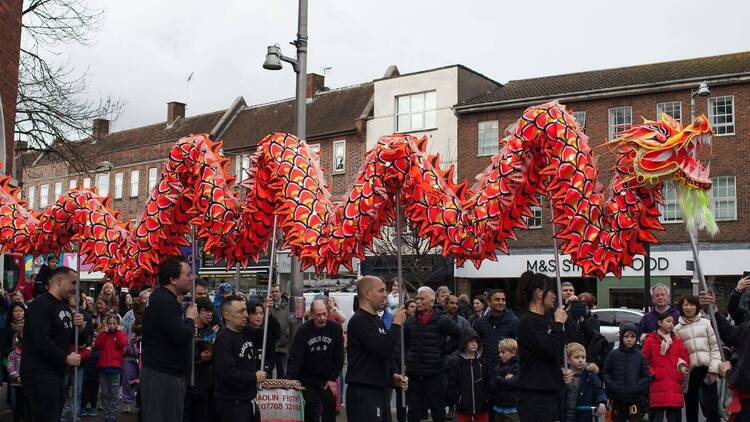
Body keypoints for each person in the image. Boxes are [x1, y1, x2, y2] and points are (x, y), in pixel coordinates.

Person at [20, 266, 87, 422]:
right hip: (39, 371)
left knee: (55, 416)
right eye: (72, 282)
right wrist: (66, 358)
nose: (75, 288)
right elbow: (40, 340)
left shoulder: (64, 307)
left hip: (57, 372)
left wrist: (80, 327)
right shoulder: (40, 305)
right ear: (59, 281)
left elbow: (74, 341)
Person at [141, 255, 198, 422]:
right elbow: (182, 336)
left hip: (166, 372)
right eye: (187, 274)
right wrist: (190, 319)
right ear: (173, 279)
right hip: (163, 375)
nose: (191, 278)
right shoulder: (164, 300)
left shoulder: (164, 298)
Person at [345, 275, 407, 422]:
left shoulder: (377, 320)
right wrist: (396, 324)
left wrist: (393, 375)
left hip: (380, 390)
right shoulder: (360, 321)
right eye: (381, 290)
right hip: (364, 393)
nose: (385, 295)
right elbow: (383, 349)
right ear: (367, 294)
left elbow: (386, 354)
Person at [514, 271, 570, 422]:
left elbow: (547, 357)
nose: (555, 296)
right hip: (535, 399)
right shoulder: (529, 322)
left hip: (548, 395)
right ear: (539, 293)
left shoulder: (545, 321)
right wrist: (559, 324)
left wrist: (560, 372)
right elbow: (549, 348)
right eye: (551, 291)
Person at [404, 286, 462, 422]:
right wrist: (408, 357)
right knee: (413, 412)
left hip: (434, 374)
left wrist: (443, 351)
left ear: (431, 301)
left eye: (421, 298)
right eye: (417, 298)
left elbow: (459, 335)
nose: (418, 301)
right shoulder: (410, 322)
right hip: (414, 374)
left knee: (438, 411)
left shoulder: (441, 320)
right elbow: (405, 343)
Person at [287, 298, 345, 422]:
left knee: (329, 402)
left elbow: (339, 357)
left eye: (324, 314)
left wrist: (332, 378)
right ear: (312, 314)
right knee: (311, 406)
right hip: (307, 377)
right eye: (318, 315)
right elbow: (296, 358)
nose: (322, 318)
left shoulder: (335, 329)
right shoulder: (303, 331)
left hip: (327, 377)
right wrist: (290, 381)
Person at [213, 294, 267, 422]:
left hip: (248, 401)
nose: (246, 315)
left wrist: (267, 310)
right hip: (232, 404)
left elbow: (270, 334)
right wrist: (254, 377)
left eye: (246, 310)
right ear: (227, 316)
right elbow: (228, 373)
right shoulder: (223, 340)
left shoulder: (245, 333)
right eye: (241, 311)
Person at [673, 294, 721, 422]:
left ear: (697, 306)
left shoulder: (706, 323)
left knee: (712, 408)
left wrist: (714, 368)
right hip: (690, 372)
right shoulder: (676, 329)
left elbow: (715, 347)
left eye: (692, 304)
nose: (689, 308)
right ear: (681, 307)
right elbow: (676, 354)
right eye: (685, 305)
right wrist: (682, 367)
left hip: (708, 369)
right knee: (691, 407)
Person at [642, 312, 690, 422]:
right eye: (668, 321)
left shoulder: (677, 341)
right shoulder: (650, 340)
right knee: (657, 417)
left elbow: (684, 358)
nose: (671, 324)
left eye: (672, 322)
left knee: (673, 418)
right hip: (657, 384)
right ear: (659, 322)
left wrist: (682, 369)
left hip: (673, 384)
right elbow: (644, 361)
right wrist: (653, 374)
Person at [601, 322, 650, 422]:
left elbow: (646, 377)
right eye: (626, 336)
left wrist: (636, 387)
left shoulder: (640, 356)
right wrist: (613, 385)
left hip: (634, 399)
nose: (629, 339)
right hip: (617, 399)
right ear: (621, 337)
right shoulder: (613, 355)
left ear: (636, 338)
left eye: (632, 336)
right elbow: (605, 373)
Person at [184, 297, 218, 422]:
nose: (210, 314)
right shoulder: (186, 329)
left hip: (206, 384)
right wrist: (198, 356)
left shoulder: (212, 331)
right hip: (187, 384)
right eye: (206, 310)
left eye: (211, 311)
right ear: (196, 311)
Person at [447, 328, 490, 422]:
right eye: (471, 341)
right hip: (463, 407)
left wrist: (486, 397)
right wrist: (457, 399)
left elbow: (488, 381)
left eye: (476, 341)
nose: (474, 344)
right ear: (464, 342)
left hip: (482, 407)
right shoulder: (456, 363)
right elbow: (452, 383)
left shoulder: (483, 362)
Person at [559, 342, 607, 422]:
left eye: (583, 357)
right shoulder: (563, 376)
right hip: (565, 417)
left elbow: (599, 390)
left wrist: (602, 402)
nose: (581, 360)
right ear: (568, 360)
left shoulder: (590, 375)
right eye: (577, 357)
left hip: (584, 417)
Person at [473, 289, 518, 371]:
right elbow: (477, 345)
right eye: (497, 299)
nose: (501, 302)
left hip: (506, 371)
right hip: (485, 371)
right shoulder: (481, 322)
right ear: (489, 302)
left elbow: (518, 349)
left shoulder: (514, 322)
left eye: (503, 300)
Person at [94, 313, 128, 422]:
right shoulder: (104, 334)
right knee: (105, 393)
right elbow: (98, 344)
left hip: (115, 369)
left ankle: (112, 417)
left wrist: (118, 331)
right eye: (110, 323)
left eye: (114, 324)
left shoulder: (120, 333)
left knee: (114, 394)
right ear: (106, 324)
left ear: (118, 324)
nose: (112, 326)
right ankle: (106, 416)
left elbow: (122, 343)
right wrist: (104, 332)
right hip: (103, 368)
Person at [489, 338, 520, 422]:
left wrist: (498, 379)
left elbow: (513, 384)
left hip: (512, 408)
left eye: (503, 352)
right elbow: (492, 385)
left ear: (513, 353)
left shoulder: (518, 367)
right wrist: (504, 380)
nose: (500, 355)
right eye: (499, 352)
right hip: (498, 407)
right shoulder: (497, 367)